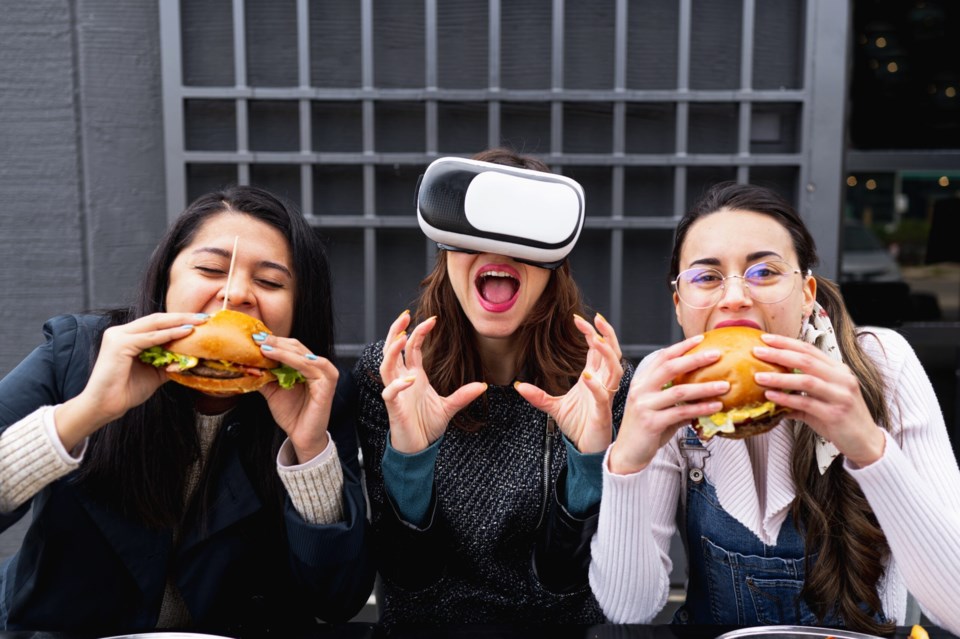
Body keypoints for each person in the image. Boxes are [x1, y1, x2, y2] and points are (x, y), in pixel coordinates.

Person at [589, 182, 960, 634]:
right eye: (707, 277)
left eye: (763, 272)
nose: (735, 297)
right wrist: (627, 463)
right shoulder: (667, 385)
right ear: (680, 306)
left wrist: (869, 448)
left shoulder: (881, 365)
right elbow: (628, 611)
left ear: (806, 293)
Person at [0, 185, 374, 634]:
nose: (236, 294)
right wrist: (87, 411)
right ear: (166, 279)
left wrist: (309, 450)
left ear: (299, 309)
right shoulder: (79, 353)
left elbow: (337, 601)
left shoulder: (320, 393)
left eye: (271, 281)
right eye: (211, 268)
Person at [354, 148, 632, 625]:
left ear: (554, 264)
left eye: (525, 235)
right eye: (477, 230)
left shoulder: (600, 385)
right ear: (446, 247)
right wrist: (410, 461)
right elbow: (406, 581)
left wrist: (587, 466)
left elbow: (571, 591)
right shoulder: (394, 374)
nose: (500, 248)